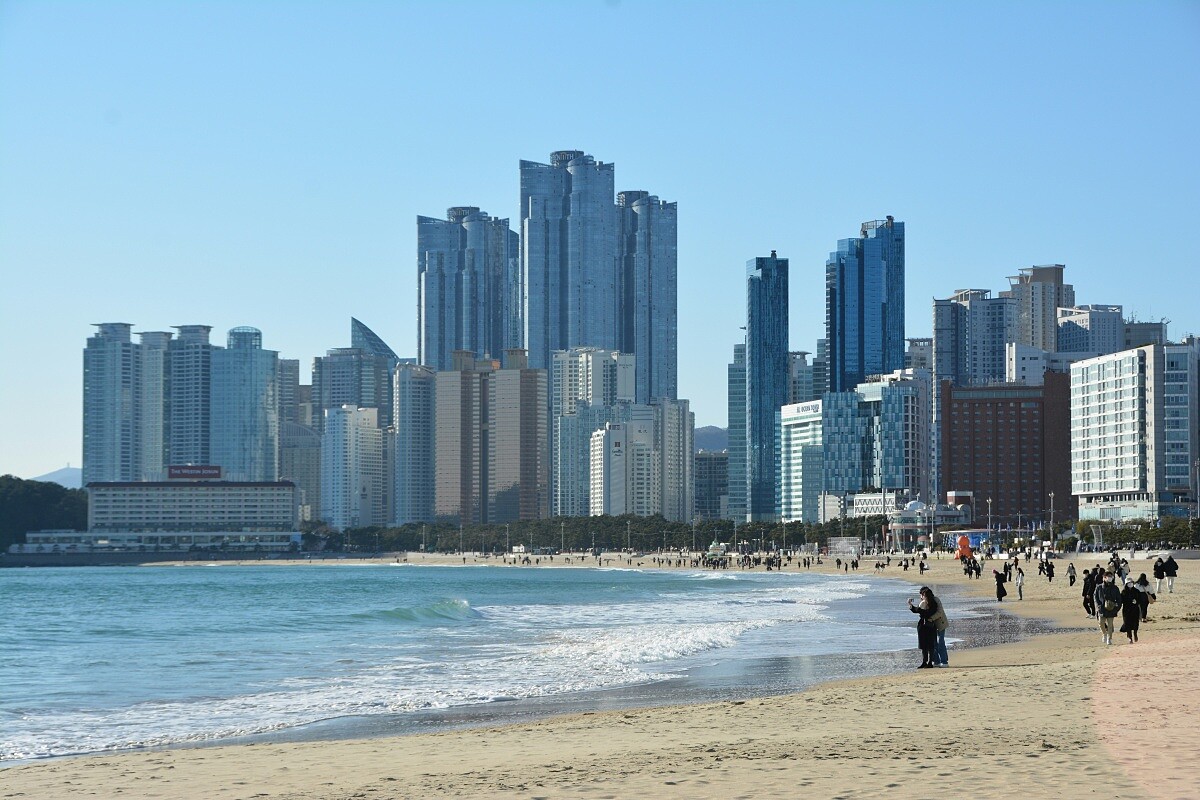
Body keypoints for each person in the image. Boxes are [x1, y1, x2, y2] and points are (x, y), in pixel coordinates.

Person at [907, 588, 938, 668]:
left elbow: (928, 613)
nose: (921, 597)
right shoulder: (923, 603)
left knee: (930, 645)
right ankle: (924, 661)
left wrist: (920, 609)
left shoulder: (933, 604)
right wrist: (910, 605)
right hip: (922, 625)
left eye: (923, 595)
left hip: (930, 625)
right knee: (923, 645)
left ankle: (930, 662)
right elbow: (916, 610)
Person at [1094, 570, 1122, 646]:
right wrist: (1098, 606)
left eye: (1111, 577)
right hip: (1102, 608)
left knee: (1110, 624)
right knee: (1101, 623)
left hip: (1111, 608)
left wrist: (1117, 607)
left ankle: (1109, 639)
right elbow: (1095, 597)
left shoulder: (1115, 588)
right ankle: (1104, 634)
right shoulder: (1099, 587)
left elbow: (1119, 599)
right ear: (1104, 578)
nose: (1110, 578)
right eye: (1108, 577)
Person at [1119, 578, 1141, 643]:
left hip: (1135, 609)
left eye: (1131, 582)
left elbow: (1140, 599)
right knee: (1127, 623)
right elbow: (1121, 601)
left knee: (1135, 623)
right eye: (1129, 583)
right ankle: (1129, 637)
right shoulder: (1123, 592)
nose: (1130, 584)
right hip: (1126, 610)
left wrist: (1136, 601)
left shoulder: (1136, 591)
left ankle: (1135, 634)